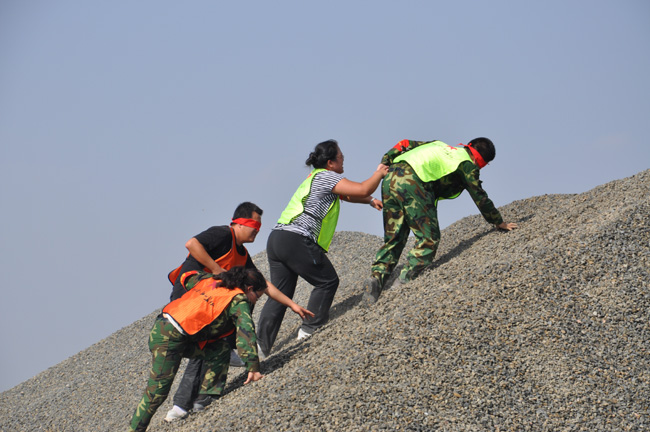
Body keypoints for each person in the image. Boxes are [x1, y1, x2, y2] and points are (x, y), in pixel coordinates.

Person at [164, 202, 313, 422]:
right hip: (190, 298)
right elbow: (192, 243)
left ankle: (198, 400)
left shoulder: (243, 256)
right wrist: (218, 270)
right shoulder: (223, 234)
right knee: (205, 344)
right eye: (255, 224)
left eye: (260, 226)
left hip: (210, 305)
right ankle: (182, 405)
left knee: (215, 342)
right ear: (239, 222)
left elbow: (263, 283)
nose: (257, 230)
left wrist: (292, 304)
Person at [256, 139, 389, 357]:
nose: (343, 159)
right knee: (327, 281)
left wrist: (369, 200)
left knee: (281, 292)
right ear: (330, 162)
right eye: (341, 157)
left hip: (278, 238)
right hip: (296, 238)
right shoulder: (328, 176)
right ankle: (309, 329)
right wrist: (379, 173)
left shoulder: (314, 178)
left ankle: (260, 346)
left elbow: (347, 195)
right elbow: (362, 187)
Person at [362, 138, 518, 305]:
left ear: (468, 145)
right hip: (413, 182)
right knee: (429, 238)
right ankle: (402, 284)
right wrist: (498, 221)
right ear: (484, 162)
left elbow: (405, 143)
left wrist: (385, 161)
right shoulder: (467, 164)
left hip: (390, 178)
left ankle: (376, 280)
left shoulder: (439, 145)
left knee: (395, 236)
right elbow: (479, 195)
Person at [128, 266, 267, 432]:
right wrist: (253, 367)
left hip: (169, 330)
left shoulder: (211, 280)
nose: (255, 301)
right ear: (249, 289)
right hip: (169, 339)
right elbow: (246, 331)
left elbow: (187, 276)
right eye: (257, 297)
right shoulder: (238, 299)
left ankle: (204, 398)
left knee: (220, 350)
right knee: (157, 392)